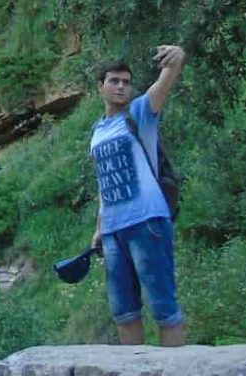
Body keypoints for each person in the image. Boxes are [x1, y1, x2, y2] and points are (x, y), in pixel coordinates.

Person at [90, 47, 186, 347]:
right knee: (124, 311)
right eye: (114, 81)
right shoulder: (97, 130)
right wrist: (98, 228)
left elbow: (165, 81)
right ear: (100, 86)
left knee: (163, 307)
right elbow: (104, 182)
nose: (121, 87)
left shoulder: (140, 113)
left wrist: (177, 56)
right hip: (113, 230)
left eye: (126, 82)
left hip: (147, 221)